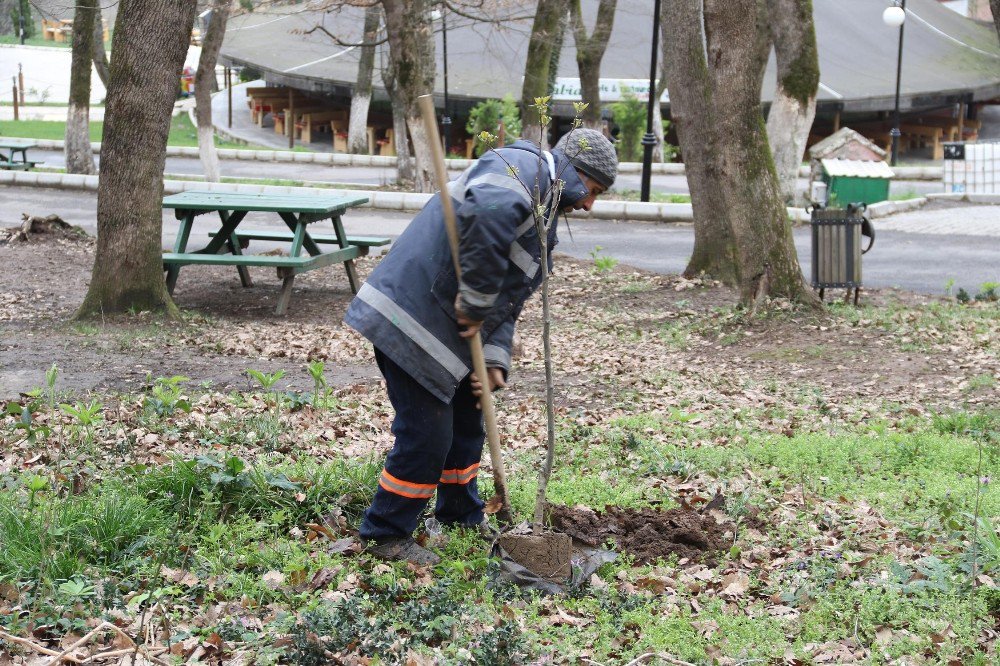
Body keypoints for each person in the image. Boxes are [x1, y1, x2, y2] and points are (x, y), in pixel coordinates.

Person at [343, 128, 618, 565]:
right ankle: (385, 533)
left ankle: (460, 512)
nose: (588, 204)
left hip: (443, 328)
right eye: (593, 190)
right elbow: (487, 217)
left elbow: (508, 299)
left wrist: (493, 359)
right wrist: (474, 298)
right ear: (571, 171)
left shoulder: (543, 216)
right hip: (409, 316)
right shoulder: (520, 170)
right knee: (428, 435)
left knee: (469, 420)